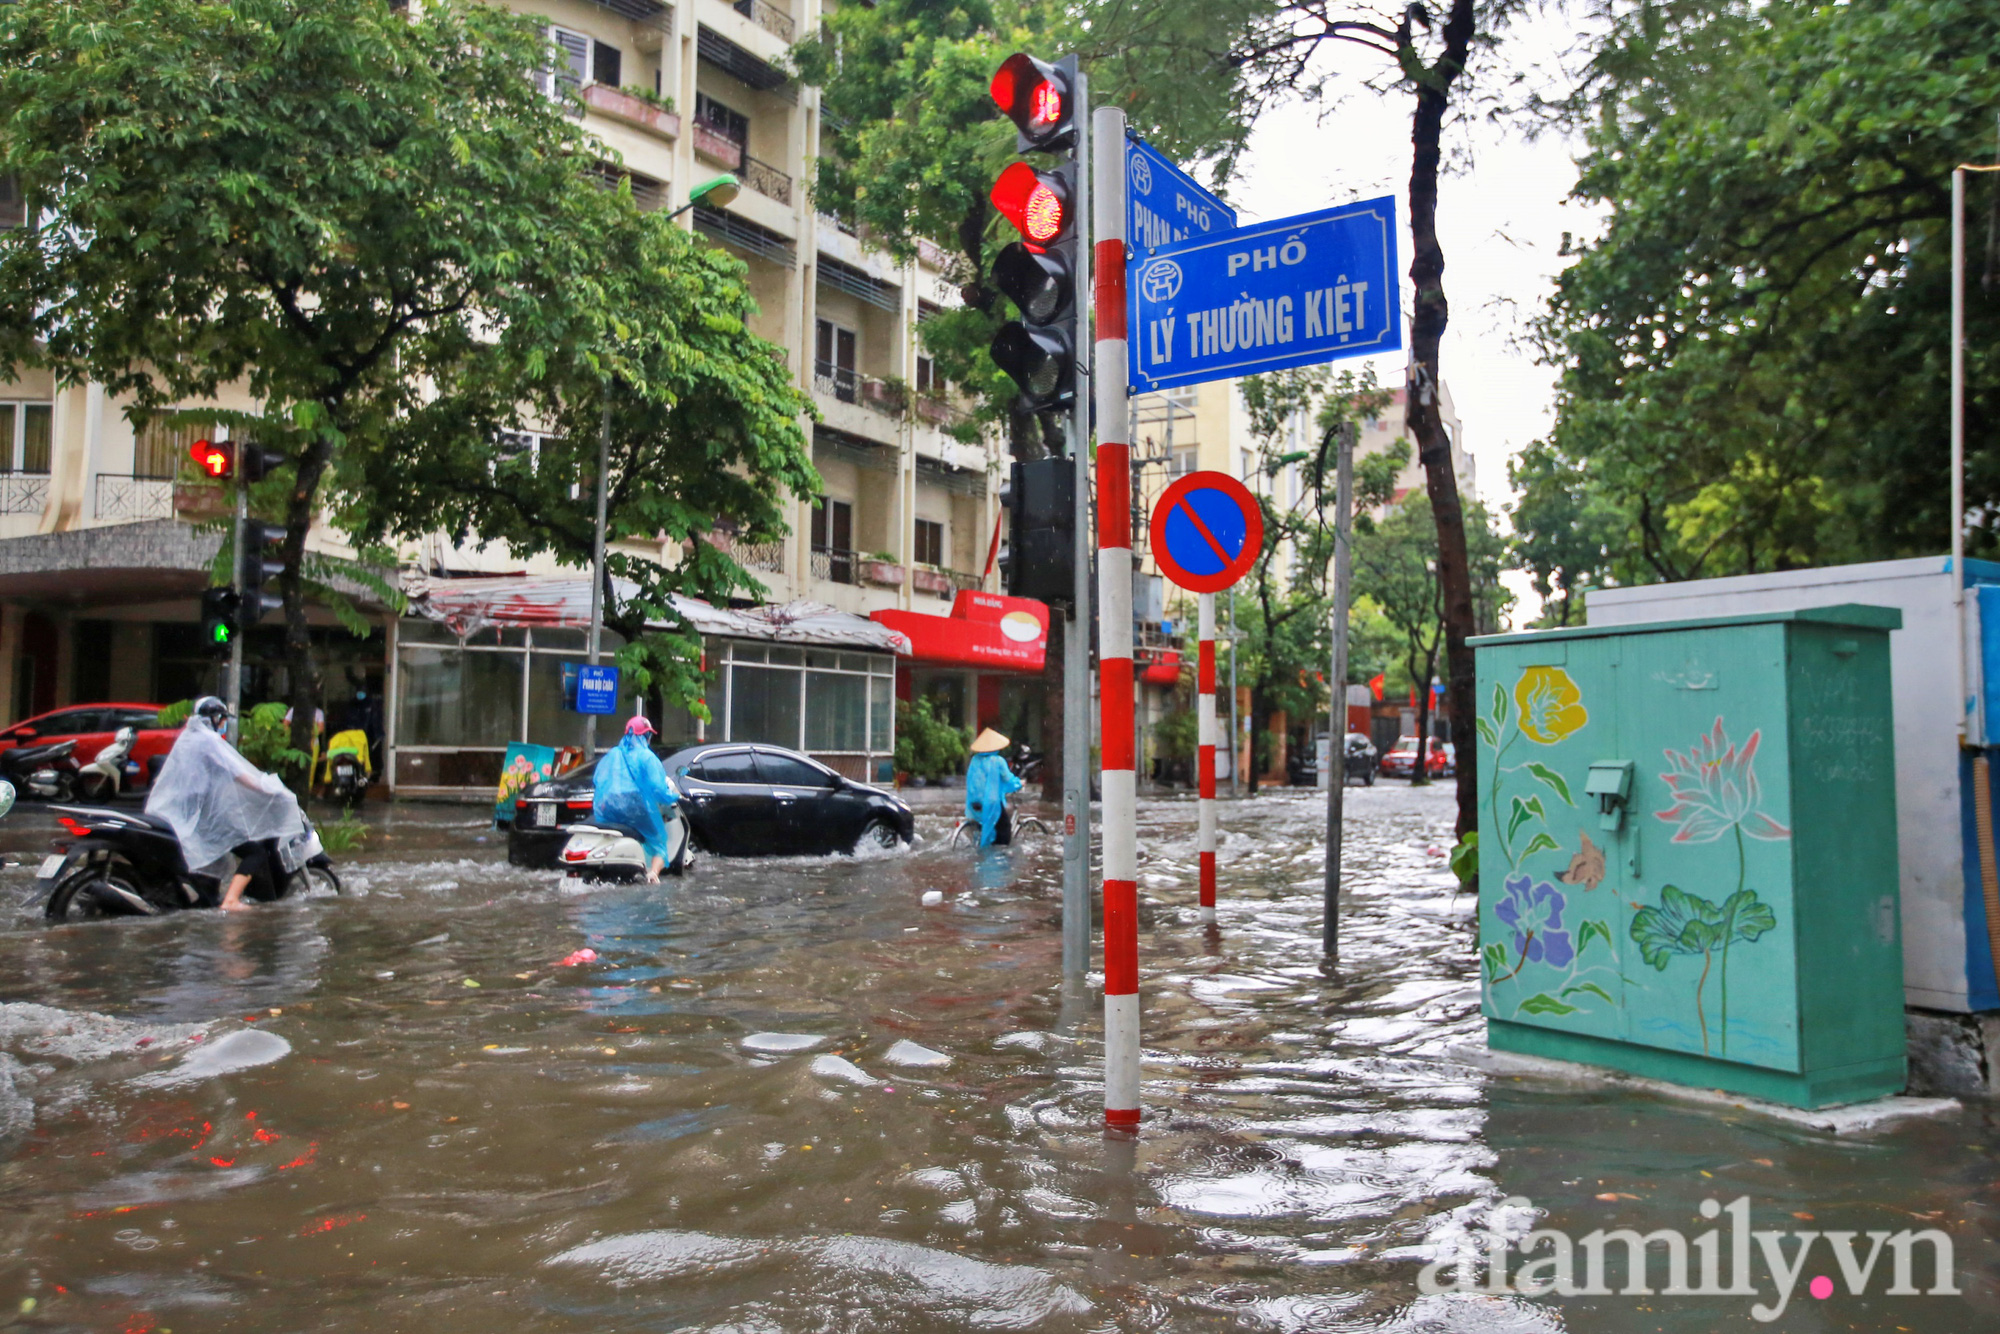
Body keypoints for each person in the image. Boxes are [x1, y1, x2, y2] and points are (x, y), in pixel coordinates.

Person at [145, 697, 307, 912]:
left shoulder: (189, 737)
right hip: (199, 817)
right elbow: (238, 773)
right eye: (222, 720)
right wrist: (270, 790)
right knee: (255, 852)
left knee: (221, 852)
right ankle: (231, 900)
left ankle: (210, 898)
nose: (223, 725)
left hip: (178, 814)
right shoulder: (208, 740)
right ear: (214, 718)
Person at [591, 714, 681, 883]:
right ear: (646, 736)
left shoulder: (612, 754)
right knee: (659, 842)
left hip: (609, 810)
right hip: (636, 810)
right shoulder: (647, 757)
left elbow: (598, 779)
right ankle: (653, 873)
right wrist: (673, 796)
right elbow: (658, 788)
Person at [964, 727, 1025, 848]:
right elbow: (1008, 779)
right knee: (1004, 828)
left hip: (974, 802)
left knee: (983, 825)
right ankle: (1001, 854)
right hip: (991, 803)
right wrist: (1019, 783)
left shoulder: (974, 760)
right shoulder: (998, 761)